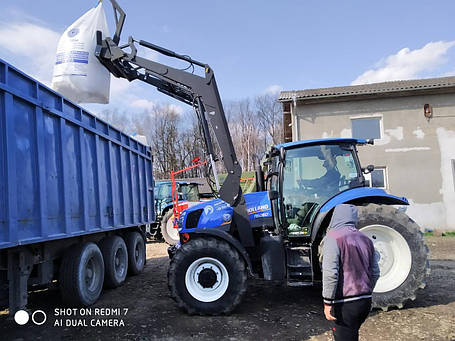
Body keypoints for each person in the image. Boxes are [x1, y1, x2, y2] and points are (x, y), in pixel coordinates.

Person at [322, 204, 380, 341]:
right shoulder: (366, 239)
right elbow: (376, 272)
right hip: (365, 302)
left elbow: (330, 273)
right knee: (352, 334)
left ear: (335, 217)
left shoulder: (333, 238)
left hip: (345, 304)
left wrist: (327, 302)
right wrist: (366, 291)